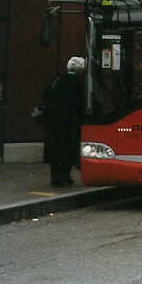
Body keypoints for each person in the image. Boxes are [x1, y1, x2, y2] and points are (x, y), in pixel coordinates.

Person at [43, 56, 85, 187]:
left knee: (57, 149)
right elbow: (81, 103)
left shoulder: (59, 79)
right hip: (71, 121)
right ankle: (65, 175)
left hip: (55, 121)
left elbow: (46, 95)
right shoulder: (79, 82)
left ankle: (56, 176)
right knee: (68, 148)